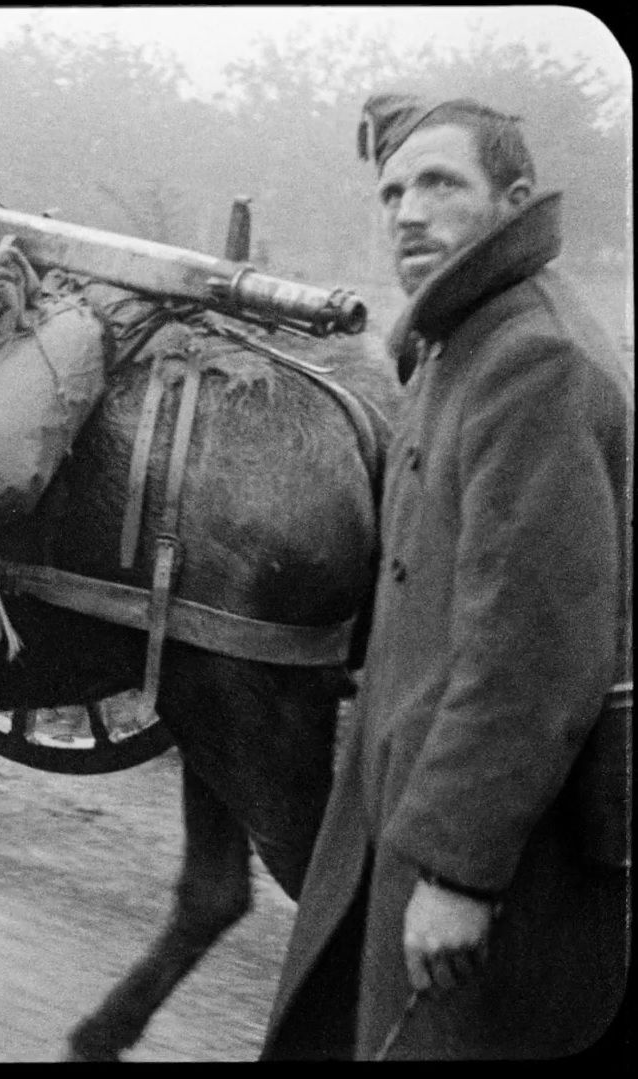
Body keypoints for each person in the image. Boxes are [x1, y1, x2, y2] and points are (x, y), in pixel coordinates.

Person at [261, 94, 632, 1059]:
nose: (406, 212)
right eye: (391, 190)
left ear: (512, 198)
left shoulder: (533, 360)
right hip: (403, 802)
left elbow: (535, 652)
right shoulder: (459, 346)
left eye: (439, 183)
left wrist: (461, 875)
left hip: (495, 851)